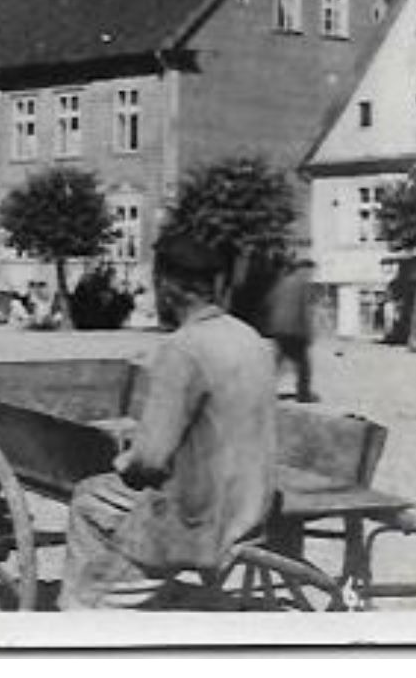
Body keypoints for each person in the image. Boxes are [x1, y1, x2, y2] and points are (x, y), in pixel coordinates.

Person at [60, 233, 277, 610]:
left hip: (198, 518)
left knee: (88, 496)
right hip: (253, 503)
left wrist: (123, 459)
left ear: (167, 288)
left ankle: (92, 603)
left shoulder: (182, 348)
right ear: (217, 284)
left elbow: (149, 462)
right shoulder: (252, 339)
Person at [230, 250, 318, 403]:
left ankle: (260, 390)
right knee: (303, 365)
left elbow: (269, 302)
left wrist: (269, 324)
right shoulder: (302, 284)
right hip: (294, 330)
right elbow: (304, 310)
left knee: (275, 364)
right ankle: (303, 394)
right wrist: (308, 333)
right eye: (310, 272)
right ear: (304, 270)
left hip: (277, 329)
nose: (311, 275)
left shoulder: (283, 282)